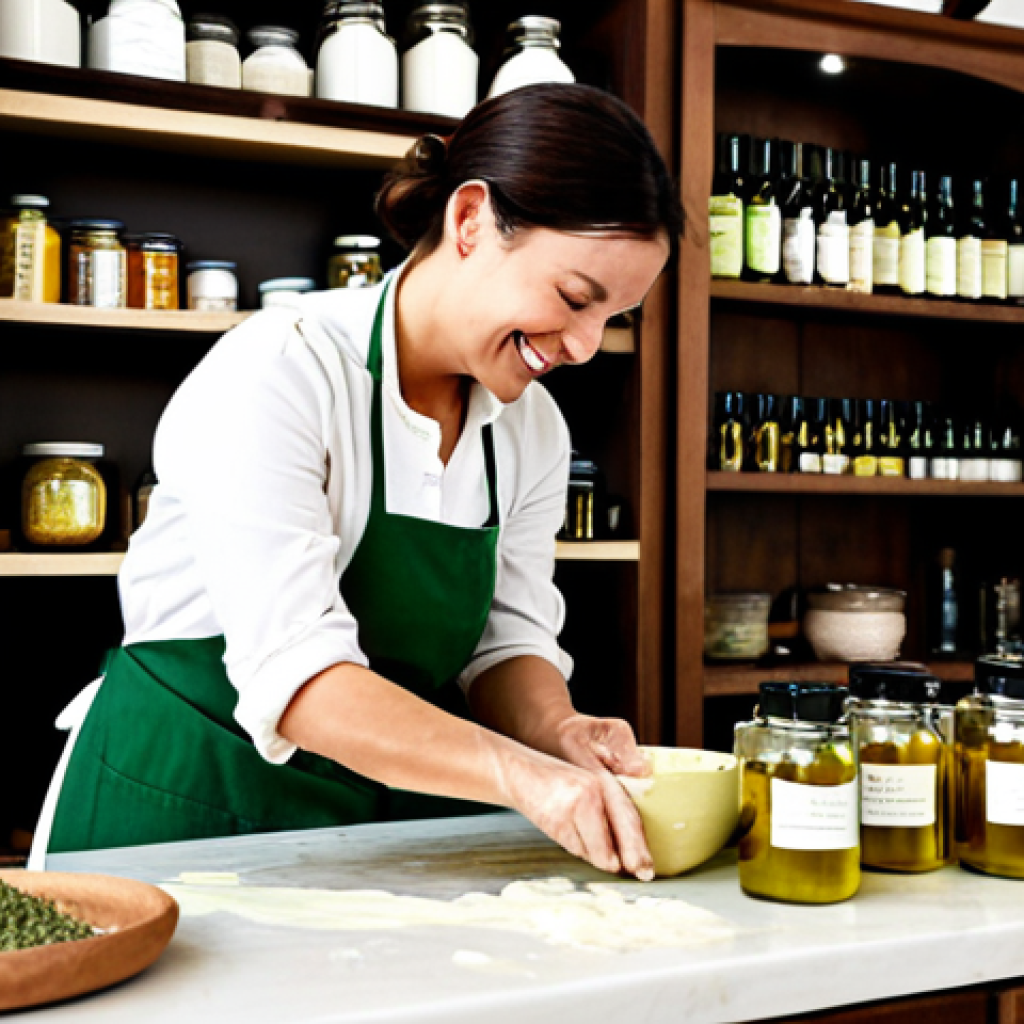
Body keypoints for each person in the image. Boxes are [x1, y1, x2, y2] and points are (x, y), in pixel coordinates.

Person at [34, 84, 682, 882]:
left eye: (614, 317)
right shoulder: (281, 368)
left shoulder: (532, 429)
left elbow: (506, 640)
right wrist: (523, 777)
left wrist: (559, 730)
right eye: (575, 298)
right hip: (183, 801)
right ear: (471, 219)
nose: (586, 345)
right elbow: (299, 677)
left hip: (376, 818)